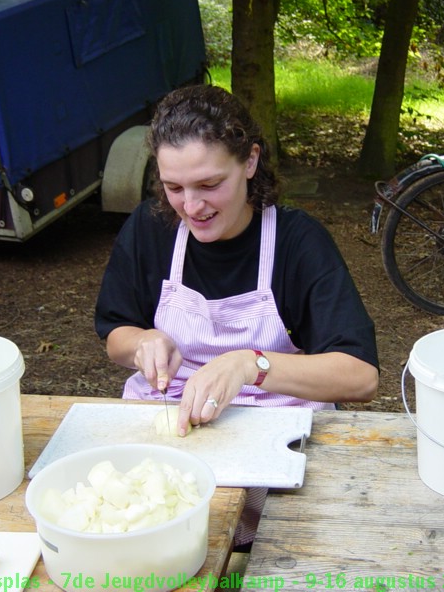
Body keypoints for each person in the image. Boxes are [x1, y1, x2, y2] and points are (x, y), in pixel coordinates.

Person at [94, 84, 379, 544]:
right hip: (172, 434)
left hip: (274, 438)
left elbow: (360, 376)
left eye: (209, 185)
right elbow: (115, 333)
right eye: (174, 188)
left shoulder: (297, 242)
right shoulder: (148, 229)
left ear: (249, 161)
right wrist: (143, 341)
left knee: (263, 553)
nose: (191, 206)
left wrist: (252, 364)